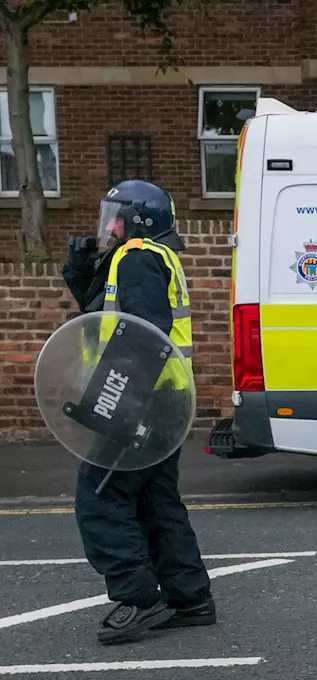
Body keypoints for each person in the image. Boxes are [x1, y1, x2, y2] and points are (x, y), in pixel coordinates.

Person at [61, 180, 215, 644]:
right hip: (161, 400)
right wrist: (81, 272)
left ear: (137, 220)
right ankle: (190, 598)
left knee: (101, 497)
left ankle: (138, 597)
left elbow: (144, 335)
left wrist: (114, 403)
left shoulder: (138, 257)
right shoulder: (146, 257)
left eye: (115, 215)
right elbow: (106, 317)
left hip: (137, 399)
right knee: (155, 500)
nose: (108, 223)